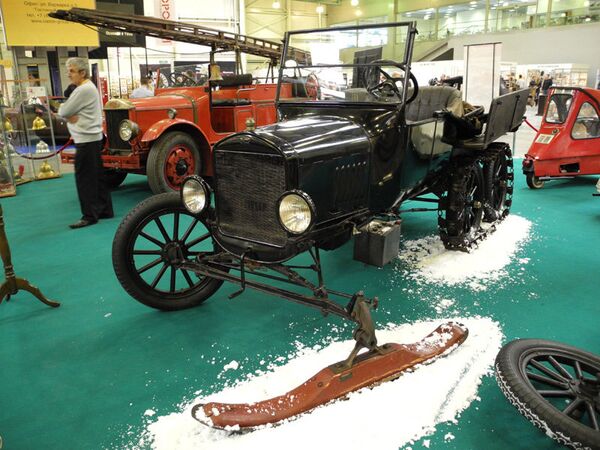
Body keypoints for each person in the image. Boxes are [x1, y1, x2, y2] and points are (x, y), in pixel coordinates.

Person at [58, 57, 113, 229]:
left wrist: (66, 114)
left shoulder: (83, 90)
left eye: (72, 71)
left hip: (86, 140)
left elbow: (64, 110)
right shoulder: (89, 88)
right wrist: (69, 115)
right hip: (93, 138)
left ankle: (89, 216)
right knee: (97, 178)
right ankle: (104, 210)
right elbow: (68, 112)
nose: (69, 74)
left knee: (85, 179)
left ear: (83, 72)